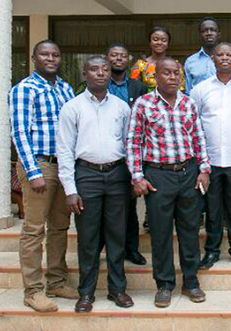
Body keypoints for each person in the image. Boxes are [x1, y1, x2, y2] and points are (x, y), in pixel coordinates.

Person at [126, 57, 210, 308]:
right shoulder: (143, 104)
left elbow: (198, 137)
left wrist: (204, 169)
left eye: (176, 73)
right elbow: (133, 141)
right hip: (158, 176)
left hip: (188, 173)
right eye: (167, 73)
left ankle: (191, 282)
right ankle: (164, 285)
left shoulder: (188, 103)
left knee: (189, 231)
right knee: (160, 233)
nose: (173, 77)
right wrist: (137, 176)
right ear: (156, 77)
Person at [56, 56, 134, 313]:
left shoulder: (122, 107)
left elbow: (130, 145)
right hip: (86, 176)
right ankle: (86, 292)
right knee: (88, 238)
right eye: (94, 69)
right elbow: (65, 150)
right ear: (85, 73)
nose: (100, 73)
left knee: (116, 236)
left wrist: (133, 175)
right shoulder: (72, 107)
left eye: (105, 69)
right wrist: (70, 190)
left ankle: (117, 289)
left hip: (116, 175)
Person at [10, 40, 79, 312]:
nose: (51, 58)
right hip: (40, 165)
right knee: (34, 229)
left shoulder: (65, 88)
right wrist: (32, 170)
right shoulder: (24, 89)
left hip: (64, 166)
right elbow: (19, 133)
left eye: (55, 55)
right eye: (44, 54)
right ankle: (33, 290)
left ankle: (56, 280)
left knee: (60, 226)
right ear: (34, 57)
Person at [192, 43, 231, 270]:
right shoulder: (200, 90)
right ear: (213, 59)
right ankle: (212, 251)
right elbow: (195, 123)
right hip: (210, 161)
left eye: (230, 55)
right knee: (213, 208)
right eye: (220, 55)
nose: (225, 58)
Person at [106, 43, 148, 266]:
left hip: (130, 151)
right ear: (107, 58)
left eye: (123, 55)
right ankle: (110, 249)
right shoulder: (100, 84)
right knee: (108, 207)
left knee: (130, 204)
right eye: (114, 55)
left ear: (128, 59)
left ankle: (132, 248)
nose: (118, 59)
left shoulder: (138, 87)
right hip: (105, 149)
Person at [184, 17, 231, 95]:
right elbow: (188, 93)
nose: (209, 33)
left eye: (213, 30)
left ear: (219, 34)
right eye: (204, 30)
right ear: (200, 35)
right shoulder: (190, 62)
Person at [130, 26, 185, 92]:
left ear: (168, 44)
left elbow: (181, 90)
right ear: (150, 42)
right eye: (155, 39)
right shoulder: (140, 65)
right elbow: (133, 89)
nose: (159, 43)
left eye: (164, 40)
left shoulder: (176, 66)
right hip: (146, 101)